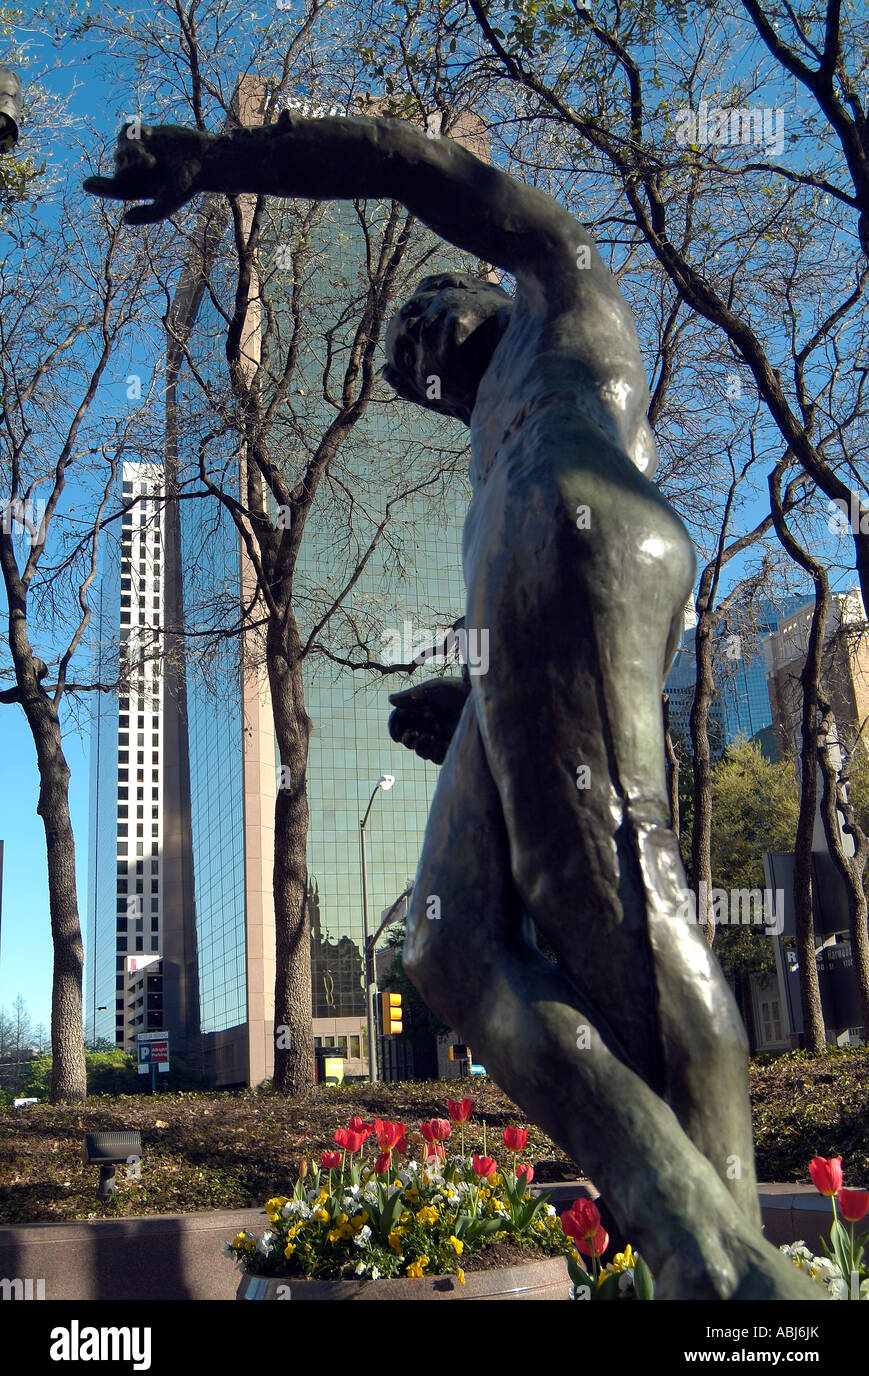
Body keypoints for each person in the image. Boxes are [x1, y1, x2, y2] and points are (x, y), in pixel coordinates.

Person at [84, 111, 764, 1246]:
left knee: (611, 884)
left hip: (586, 551)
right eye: (400, 360)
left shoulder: (561, 287)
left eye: (421, 319)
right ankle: (691, 1229)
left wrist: (222, 160)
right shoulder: (490, 444)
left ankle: (729, 1266)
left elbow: (417, 168)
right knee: (444, 949)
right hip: (532, 614)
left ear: (488, 286)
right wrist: (474, 708)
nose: (412, 355)